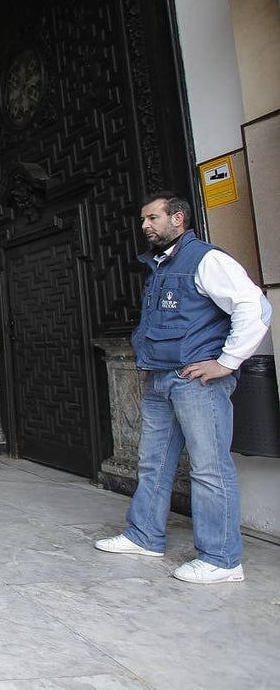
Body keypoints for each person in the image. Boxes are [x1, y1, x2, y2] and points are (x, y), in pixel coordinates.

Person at [95, 192, 271, 583]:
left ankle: (222, 560)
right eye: (143, 219)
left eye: (152, 218)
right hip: (162, 378)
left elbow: (255, 307)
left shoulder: (207, 259)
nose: (145, 226)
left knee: (209, 468)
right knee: (153, 462)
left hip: (197, 382)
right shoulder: (160, 265)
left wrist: (226, 362)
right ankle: (144, 536)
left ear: (178, 218)